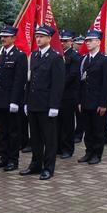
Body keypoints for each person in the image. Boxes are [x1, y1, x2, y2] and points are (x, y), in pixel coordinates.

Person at [19, 25, 64, 179]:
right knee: (36, 138)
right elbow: (30, 81)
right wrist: (26, 102)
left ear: (49, 38)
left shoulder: (55, 57)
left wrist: (54, 106)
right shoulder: (34, 55)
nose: (38, 39)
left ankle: (48, 167)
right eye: (36, 36)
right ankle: (36, 164)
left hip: (47, 105)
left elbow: (58, 84)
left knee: (49, 138)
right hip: (33, 103)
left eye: (41, 36)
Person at [0, 25, 27, 171]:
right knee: (2, 130)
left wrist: (14, 101)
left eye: (6, 36)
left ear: (13, 38)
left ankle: (13, 160)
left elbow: (19, 81)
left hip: (12, 100)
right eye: (1, 36)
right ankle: (3, 157)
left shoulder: (19, 55)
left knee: (13, 131)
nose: (3, 38)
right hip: (0, 99)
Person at [76, 30, 107, 165]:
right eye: (87, 40)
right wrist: (79, 101)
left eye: (91, 40)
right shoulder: (84, 59)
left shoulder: (104, 60)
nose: (88, 43)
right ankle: (88, 152)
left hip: (97, 101)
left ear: (98, 42)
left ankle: (97, 153)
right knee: (88, 129)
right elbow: (81, 82)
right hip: (85, 100)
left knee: (98, 129)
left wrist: (103, 104)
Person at [58, 30, 81, 159]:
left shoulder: (74, 56)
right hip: (58, 94)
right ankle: (59, 147)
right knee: (58, 122)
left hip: (68, 94)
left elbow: (72, 75)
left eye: (65, 41)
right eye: (61, 40)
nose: (62, 43)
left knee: (67, 123)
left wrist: (57, 83)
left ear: (71, 42)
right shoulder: (58, 54)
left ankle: (67, 149)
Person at [72, 36, 86, 143]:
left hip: (80, 88)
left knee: (79, 113)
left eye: (82, 43)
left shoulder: (85, 57)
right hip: (70, 89)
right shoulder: (72, 55)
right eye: (78, 43)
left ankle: (79, 133)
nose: (80, 45)